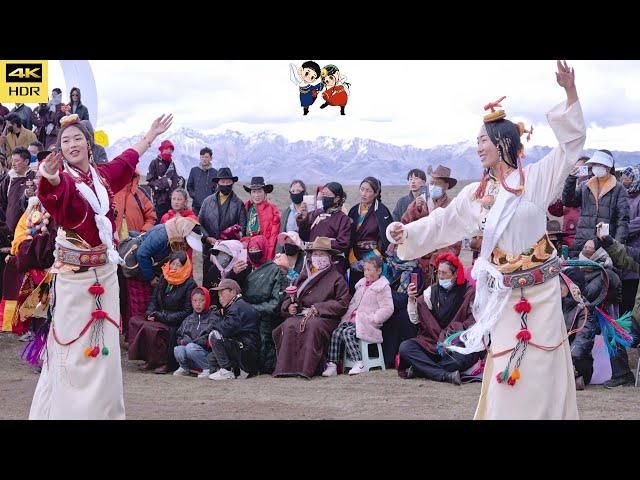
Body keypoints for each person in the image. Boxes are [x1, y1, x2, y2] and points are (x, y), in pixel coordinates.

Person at [386, 61, 585, 419]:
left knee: (541, 368)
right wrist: (406, 233)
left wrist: (570, 91)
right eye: (477, 140)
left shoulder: (536, 179)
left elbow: (571, 145)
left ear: (502, 142)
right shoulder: (478, 194)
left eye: (482, 140)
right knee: (509, 367)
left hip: (541, 290)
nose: (477, 147)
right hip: (505, 296)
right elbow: (443, 223)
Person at [29, 112, 173, 419]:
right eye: (65, 141)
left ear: (88, 143)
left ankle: (104, 412)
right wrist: (50, 175)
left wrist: (150, 136)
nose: (72, 144)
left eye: (77, 138)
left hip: (105, 273)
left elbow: (127, 160)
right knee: (73, 348)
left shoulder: (103, 175)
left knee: (105, 348)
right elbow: (53, 194)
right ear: (60, 149)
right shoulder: (64, 180)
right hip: (73, 277)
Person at [273, 237, 351, 378]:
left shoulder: (337, 278)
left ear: (329, 257)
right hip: (302, 314)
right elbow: (290, 295)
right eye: (315, 254)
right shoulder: (304, 275)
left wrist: (319, 308)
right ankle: (286, 368)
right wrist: (290, 306)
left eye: (322, 254)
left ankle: (308, 369)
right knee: (289, 324)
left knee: (312, 326)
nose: (318, 257)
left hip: (325, 318)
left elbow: (343, 303)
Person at [399, 253, 479, 384]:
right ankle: (444, 375)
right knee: (406, 347)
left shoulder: (468, 292)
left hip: (456, 342)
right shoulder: (431, 292)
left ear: (455, 274)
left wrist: (452, 331)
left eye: (444, 273)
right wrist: (411, 299)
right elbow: (415, 320)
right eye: (438, 273)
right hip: (432, 341)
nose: (440, 277)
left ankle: (421, 370)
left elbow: (472, 321)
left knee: (465, 356)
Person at [322, 256, 393, 376]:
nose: (366, 273)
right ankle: (332, 364)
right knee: (336, 333)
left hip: (367, 323)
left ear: (378, 270)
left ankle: (358, 362)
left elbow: (388, 308)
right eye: (365, 270)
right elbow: (353, 303)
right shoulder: (361, 285)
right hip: (354, 320)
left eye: (370, 270)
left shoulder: (382, 287)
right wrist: (346, 317)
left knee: (347, 333)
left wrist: (374, 319)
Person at [128, 251, 197, 374]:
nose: (174, 268)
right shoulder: (165, 277)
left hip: (175, 321)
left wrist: (162, 316)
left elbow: (187, 311)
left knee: (155, 330)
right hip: (160, 315)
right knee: (137, 321)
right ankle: (150, 359)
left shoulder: (189, 284)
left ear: (184, 266)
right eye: (172, 264)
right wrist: (150, 312)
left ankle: (166, 362)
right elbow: (154, 299)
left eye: (178, 265)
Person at [228, 234, 287, 374]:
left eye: (257, 250)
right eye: (251, 250)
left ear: (264, 249)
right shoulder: (245, 269)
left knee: (263, 334)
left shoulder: (275, 271)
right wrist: (234, 274)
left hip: (266, 315)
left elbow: (276, 302)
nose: (254, 253)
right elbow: (232, 290)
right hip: (245, 313)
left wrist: (254, 309)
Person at [402, 165, 462, 286]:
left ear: (446, 186)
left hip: (439, 260)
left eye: (437, 183)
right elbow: (406, 223)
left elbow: (456, 236)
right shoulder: (421, 202)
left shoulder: (452, 207)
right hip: (419, 258)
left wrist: (442, 256)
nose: (433, 186)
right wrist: (415, 208)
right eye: (431, 183)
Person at [562, 150, 629, 258]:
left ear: (608, 167)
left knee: (603, 274)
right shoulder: (585, 186)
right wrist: (571, 179)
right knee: (577, 273)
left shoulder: (619, 189)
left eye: (600, 164)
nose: (596, 167)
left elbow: (623, 221)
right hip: (582, 243)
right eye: (595, 164)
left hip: (605, 246)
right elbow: (568, 201)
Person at [596, 229, 640, 387]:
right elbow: (625, 256)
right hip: (638, 321)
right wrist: (607, 241)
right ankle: (622, 375)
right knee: (612, 330)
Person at [198, 167, 246, 282]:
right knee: (209, 281)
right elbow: (198, 224)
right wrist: (208, 238)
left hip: (230, 254)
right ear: (218, 183)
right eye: (222, 182)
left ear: (232, 183)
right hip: (209, 250)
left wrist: (228, 243)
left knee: (227, 283)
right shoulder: (207, 202)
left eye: (228, 182)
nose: (225, 184)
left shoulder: (239, 204)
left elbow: (242, 228)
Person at [207, 279, 261, 380]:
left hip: (246, 351)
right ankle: (233, 370)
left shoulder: (236, 307)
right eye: (218, 295)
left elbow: (226, 329)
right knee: (211, 357)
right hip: (249, 350)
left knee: (214, 335)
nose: (220, 298)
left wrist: (214, 324)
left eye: (222, 293)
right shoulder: (240, 305)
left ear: (233, 292)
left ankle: (227, 370)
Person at [347, 177, 393, 292]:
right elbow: (348, 237)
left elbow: (385, 238)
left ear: (376, 193)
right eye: (362, 189)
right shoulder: (353, 211)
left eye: (368, 191)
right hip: (355, 257)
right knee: (356, 291)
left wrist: (370, 260)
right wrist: (352, 259)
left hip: (374, 258)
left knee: (373, 291)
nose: (364, 193)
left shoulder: (382, 212)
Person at [297, 181, 351, 275]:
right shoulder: (315, 213)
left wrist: (321, 244)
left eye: (328, 195)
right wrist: (304, 218)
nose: (324, 197)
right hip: (312, 262)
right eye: (323, 194)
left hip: (333, 265)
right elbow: (304, 236)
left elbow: (343, 244)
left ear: (337, 198)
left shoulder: (343, 219)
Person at [559, 267, 597, 390]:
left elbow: (582, 339)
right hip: (556, 356)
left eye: (563, 284)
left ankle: (572, 377)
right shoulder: (554, 304)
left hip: (576, 360)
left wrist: (568, 361)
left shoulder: (584, 309)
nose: (559, 286)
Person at [173, 287, 218, 377]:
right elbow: (179, 335)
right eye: (195, 301)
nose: (198, 304)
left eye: (201, 300)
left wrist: (199, 342)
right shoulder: (188, 319)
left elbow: (215, 338)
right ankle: (184, 368)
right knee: (177, 349)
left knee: (191, 347)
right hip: (190, 353)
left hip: (206, 355)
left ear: (207, 300)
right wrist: (182, 341)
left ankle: (207, 368)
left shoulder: (214, 318)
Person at [547, 156, 590, 250]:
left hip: (585, 238)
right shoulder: (568, 188)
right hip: (567, 237)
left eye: (581, 168)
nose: (577, 171)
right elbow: (557, 211)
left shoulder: (592, 189)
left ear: (589, 170)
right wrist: (553, 195)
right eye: (575, 168)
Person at [618, 165, 640, 316]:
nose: (624, 180)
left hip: (634, 253)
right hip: (620, 252)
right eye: (623, 177)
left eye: (627, 178)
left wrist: (621, 229)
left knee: (630, 299)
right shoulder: (623, 196)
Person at [243, 176, 281, 259]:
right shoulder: (246, 208)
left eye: (259, 191)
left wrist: (269, 256)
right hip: (247, 250)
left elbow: (273, 235)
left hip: (263, 250)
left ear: (265, 193)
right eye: (254, 191)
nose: (257, 195)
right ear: (250, 193)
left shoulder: (273, 210)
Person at [147, 139, 180, 220]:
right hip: (159, 201)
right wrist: (164, 183)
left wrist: (180, 181)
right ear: (162, 150)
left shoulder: (172, 164)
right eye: (166, 149)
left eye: (171, 149)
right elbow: (150, 181)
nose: (169, 151)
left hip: (172, 201)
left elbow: (174, 178)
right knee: (160, 224)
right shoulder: (154, 163)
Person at [186, 147, 217, 216]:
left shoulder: (215, 172)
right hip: (196, 206)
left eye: (206, 157)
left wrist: (212, 200)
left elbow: (216, 189)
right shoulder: (194, 170)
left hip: (210, 206)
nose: (204, 159)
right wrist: (194, 196)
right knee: (195, 224)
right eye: (202, 157)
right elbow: (189, 186)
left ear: (211, 158)